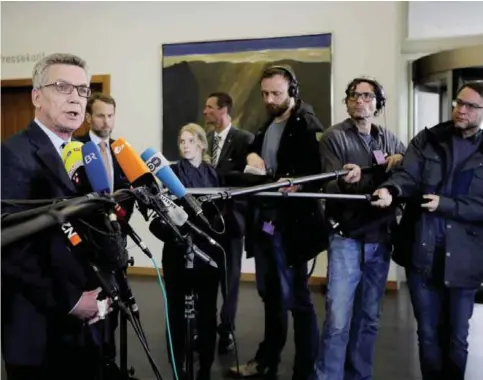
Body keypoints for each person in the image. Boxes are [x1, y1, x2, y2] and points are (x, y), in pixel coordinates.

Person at [1, 53, 109, 379]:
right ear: (36, 97)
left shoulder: (83, 153)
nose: (75, 97)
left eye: (82, 90)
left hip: (84, 326)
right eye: (62, 87)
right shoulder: (12, 154)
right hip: (37, 328)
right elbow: (11, 248)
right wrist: (73, 301)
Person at [372, 80, 483, 380]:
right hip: (423, 251)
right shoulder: (428, 140)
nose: (461, 110)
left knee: (457, 337)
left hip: (466, 258)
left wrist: (447, 205)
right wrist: (390, 190)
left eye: (471, 106)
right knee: (429, 333)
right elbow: (407, 175)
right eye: (459, 103)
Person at [231, 66, 325, 379]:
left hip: (292, 227)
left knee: (297, 300)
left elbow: (317, 176)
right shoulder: (268, 123)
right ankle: (266, 359)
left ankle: (305, 370)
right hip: (266, 222)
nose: (270, 99)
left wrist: (297, 183)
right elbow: (257, 156)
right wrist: (251, 157)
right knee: (271, 296)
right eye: (265, 94)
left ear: (292, 92)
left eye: (276, 94)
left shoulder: (307, 125)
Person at [312, 77, 406, 380]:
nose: (359, 100)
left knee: (369, 318)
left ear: (378, 103)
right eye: (353, 95)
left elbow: (406, 178)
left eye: (366, 96)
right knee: (338, 319)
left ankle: (359, 376)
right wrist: (343, 181)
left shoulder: (389, 140)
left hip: (380, 239)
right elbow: (325, 184)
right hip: (346, 239)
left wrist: (401, 162)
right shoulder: (334, 137)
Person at [76, 92, 135, 363]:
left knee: (115, 308)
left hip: (115, 240)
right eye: (100, 115)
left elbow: (129, 192)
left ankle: (111, 364)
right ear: (88, 117)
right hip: (85, 244)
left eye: (110, 115)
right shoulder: (75, 149)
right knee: (92, 315)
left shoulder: (121, 150)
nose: (106, 121)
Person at [162, 123, 221, 380]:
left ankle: (205, 367)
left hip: (207, 251)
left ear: (200, 144)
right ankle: (179, 365)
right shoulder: (171, 172)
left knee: (208, 310)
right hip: (178, 249)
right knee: (175, 310)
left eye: (189, 140)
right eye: (181, 141)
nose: (184, 145)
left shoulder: (212, 173)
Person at [204, 92, 254, 354]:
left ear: (223, 110)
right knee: (209, 278)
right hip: (207, 222)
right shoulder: (207, 140)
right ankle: (208, 327)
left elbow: (247, 178)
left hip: (232, 222)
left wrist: (220, 175)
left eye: (210, 107)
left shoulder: (244, 140)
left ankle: (227, 330)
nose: (205, 111)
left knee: (230, 280)